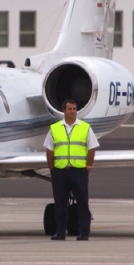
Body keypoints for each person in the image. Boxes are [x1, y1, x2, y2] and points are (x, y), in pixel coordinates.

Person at [44, 99, 99, 240]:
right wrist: (52, 169)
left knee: (82, 204)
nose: (72, 111)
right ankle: (60, 233)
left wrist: (88, 166)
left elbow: (91, 148)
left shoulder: (85, 127)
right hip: (60, 172)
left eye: (74, 109)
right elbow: (49, 150)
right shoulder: (54, 128)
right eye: (70, 109)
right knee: (60, 204)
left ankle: (84, 233)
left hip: (79, 172)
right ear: (64, 110)